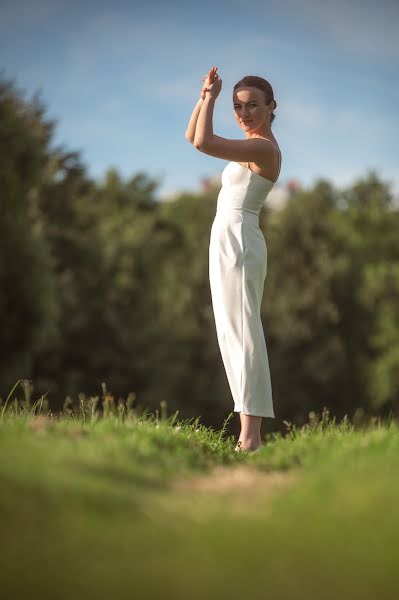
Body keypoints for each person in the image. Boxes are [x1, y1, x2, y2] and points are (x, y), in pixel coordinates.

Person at [185, 66, 282, 452]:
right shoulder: (251, 143)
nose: (244, 113)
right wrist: (204, 94)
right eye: (237, 107)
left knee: (243, 331)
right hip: (227, 236)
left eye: (253, 106)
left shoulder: (263, 148)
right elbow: (192, 135)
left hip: (240, 238)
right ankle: (248, 435)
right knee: (231, 331)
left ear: (271, 107)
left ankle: (251, 438)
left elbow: (203, 143)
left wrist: (210, 100)